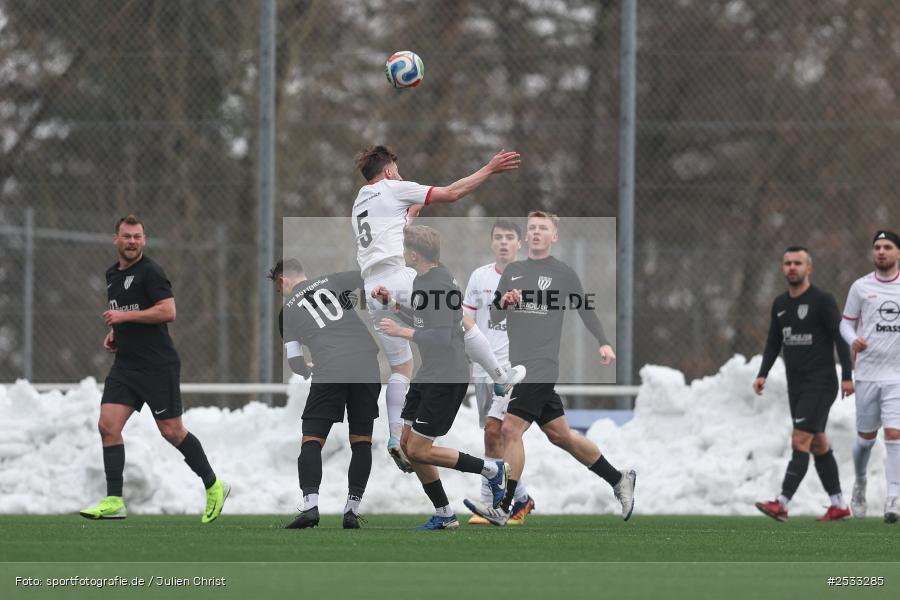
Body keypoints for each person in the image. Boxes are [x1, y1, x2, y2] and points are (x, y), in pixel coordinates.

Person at [351, 145, 524, 472]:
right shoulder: (394, 187)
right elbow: (452, 193)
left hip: (372, 288)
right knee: (462, 319)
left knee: (402, 368)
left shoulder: (361, 200)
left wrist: (413, 209)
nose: (400, 175)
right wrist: (488, 169)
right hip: (398, 275)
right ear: (388, 170)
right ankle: (500, 378)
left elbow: (400, 222)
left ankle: (393, 437)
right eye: (397, 170)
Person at [465, 211, 635, 526]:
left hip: (541, 365)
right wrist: (506, 303)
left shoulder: (563, 273)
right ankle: (618, 478)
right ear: (527, 237)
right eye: (533, 228)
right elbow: (499, 319)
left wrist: (603, 342)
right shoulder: (513, 271)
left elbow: (585, 309)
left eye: (544, 228)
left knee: (509, 430)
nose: (538, 232)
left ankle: (504, 506)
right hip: (519, 364)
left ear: (553, 236)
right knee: (561, 435)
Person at [80, 215, 229, 523]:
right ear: (116, 240)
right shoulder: (111, 275)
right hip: (126, 365)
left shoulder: (151, 272)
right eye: (127, 236)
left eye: (137, 237)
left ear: (144, 240)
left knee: (171, 431)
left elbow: (168, 311)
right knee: (108, 426)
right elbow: (128, 314)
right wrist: (115, 334)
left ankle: (214, 485)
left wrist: (122, 319)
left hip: (157, 365)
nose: (132, 241)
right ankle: (114, 500)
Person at [372, 226, 508, 530]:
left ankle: (491, 470)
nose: (401, 253)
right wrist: (392, 305)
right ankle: (445, 513)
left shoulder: (440, 283)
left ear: (413, 253)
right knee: (408, 446)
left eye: (403, 248)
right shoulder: (424, 278)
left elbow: (442, 337)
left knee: (420, 450)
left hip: (448, 376)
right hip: (429, 373)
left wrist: (400, 331)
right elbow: (423, 319)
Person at [269, 259, 381, 530]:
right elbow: (367, 276)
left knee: (312, 439)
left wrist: (306, 369)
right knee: (361, 440)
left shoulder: (287, 312)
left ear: (283, 282)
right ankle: (351, 511)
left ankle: (310, 507)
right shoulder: (333, 280)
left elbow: (295, 361)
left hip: (331, 367)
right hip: (366, 362)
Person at [753, 246, 854, 522]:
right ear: (783, 268)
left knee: (800, 439)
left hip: (821, 383)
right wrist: (762, 373)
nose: (792, 267)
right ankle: (839, 505)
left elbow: (840, 336)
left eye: (798, 263)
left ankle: (782, 503)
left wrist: (847, 374)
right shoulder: (780, 304)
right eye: (787, 263)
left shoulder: (822, 300)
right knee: (818, 444)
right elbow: (774, 341)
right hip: (796, 385)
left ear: (809, 268)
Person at [463, 219, 536, 525]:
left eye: (510, 237)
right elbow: (467, 317)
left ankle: (491, 501)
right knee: (490, 436)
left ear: (520, 243)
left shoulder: (533, 278)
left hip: (514, 370)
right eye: (498, 237)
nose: (504, 242)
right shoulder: (479, 276)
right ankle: (520, 498)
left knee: (500, 431)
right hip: (484, 369)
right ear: (491, 243)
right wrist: (476, 346)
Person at [840, 230, 900, 523]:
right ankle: (860, 483)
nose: (881, 251)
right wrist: (853, 339)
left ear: (898, 253)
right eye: (877, 247)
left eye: (887, 247)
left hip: (897, 375)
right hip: (867, 373)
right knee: (865, 439)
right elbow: (845, 325)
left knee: (894, 434)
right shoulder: (861, 287)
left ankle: (893, 498)